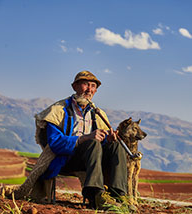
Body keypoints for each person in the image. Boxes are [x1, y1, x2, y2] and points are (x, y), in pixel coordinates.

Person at [35, 71, 128, 209]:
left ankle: (118, 197)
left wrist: (107, 140)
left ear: (96, 90)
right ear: (75, 86)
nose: (89, 89)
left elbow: (101, 142)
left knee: (116, 146)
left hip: (92, 160)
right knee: (92, 143)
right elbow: (54, 143)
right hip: (66, 159)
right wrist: (85, 138)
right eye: (85, 84)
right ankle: (96, 196)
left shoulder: (98, 113)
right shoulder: (58, 110)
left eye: (93, 86)